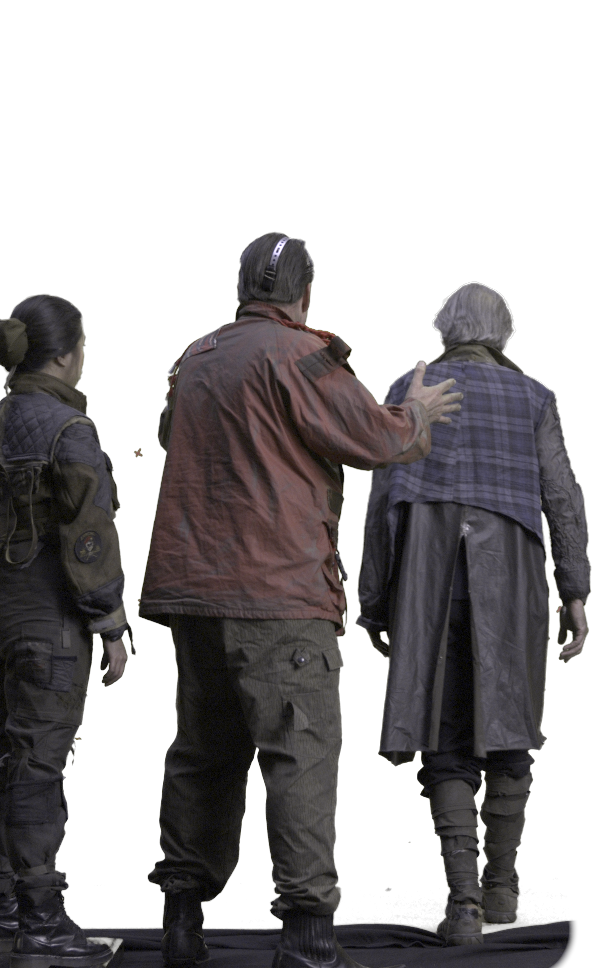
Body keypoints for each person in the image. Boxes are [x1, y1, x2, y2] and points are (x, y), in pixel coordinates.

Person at [139, 233, 463, 968]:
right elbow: (371, 439)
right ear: (305, 295)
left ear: (242, 289)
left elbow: (169, 436)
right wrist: (415, 413)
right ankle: (308, 937)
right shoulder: (302, 355)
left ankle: (182, 922)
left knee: (201, 755)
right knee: (299, 756)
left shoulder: (194, 356)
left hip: (194, 594)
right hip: (279, 593)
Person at [354, 282, 591, 946]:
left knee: (444, 732)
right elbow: (563, 497)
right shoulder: (534, 396)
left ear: (445, 330)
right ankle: (503, 890)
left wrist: (375, 602)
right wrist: (574, 591)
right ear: (504, 334)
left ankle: (463, 906)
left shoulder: (411, 385)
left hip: (428, 576)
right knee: (512, 726)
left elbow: (381, 502)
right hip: (511, 572)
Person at [0, 294, 131, 964]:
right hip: (46, 615)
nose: (85, 357)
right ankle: (41, 920)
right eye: (83, 346)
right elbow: (90, 537)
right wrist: (110, 624)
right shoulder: (69, 428)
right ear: (64, 355)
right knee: (36, 765)